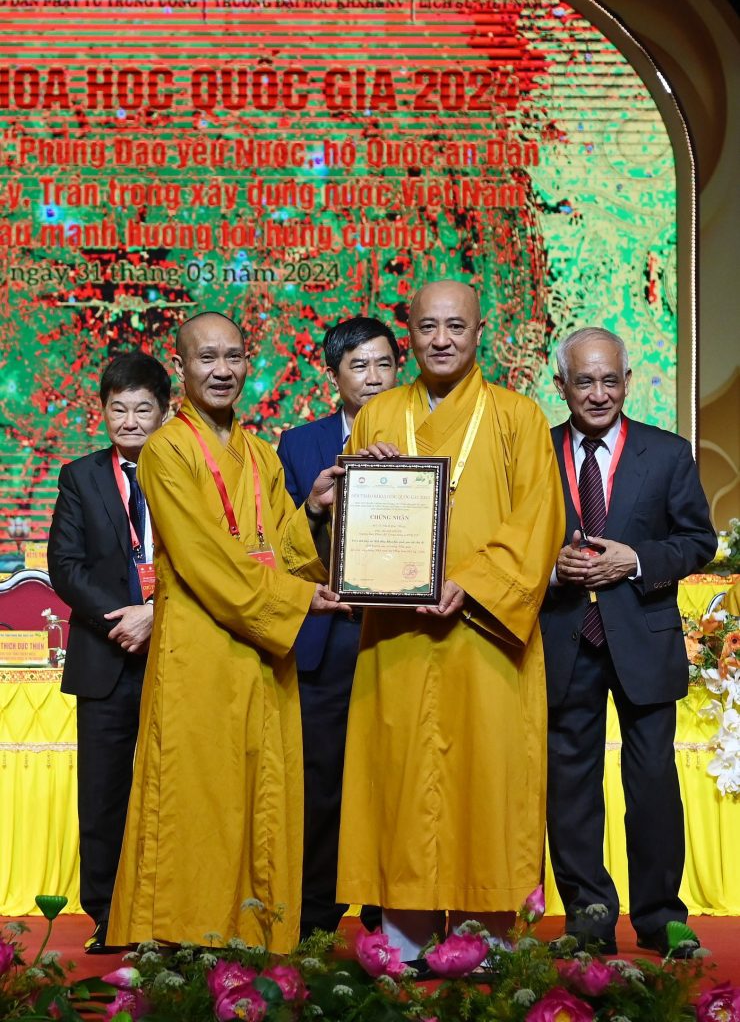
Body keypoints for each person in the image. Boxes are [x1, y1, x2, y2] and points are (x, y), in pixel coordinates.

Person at [335, 280, 565, 962]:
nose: (441, 339)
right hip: (399, 635)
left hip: (486, 636)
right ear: (408, 332)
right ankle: (402, 944)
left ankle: (483, 944)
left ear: (479, 331)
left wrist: (473, 584)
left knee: (486, 779)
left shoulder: (518, 416)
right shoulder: (378, 416)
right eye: (428, 326)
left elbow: (539, 521)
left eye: (455, 326)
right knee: (402, 778)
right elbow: (358, 527)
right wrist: (357, 482)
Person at [107, 311, 346, 952]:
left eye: (233, 357)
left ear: (247, 363)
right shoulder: (165, 451)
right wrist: (298, 600)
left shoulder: (260, 452)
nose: (221, 370)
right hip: (202, 650)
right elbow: (205, 560)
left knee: (262, 794)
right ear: (180, 366)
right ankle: (187, 949)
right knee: (200, 800)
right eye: (206, 358)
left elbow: (282, 546)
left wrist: (314, 508)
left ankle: (255, 942)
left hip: (263, 653)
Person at [541, 326, 716, 956]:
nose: (598, 393)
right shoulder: (536, 452)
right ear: (561, 385)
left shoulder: (666, 453)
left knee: (652, 785)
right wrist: (554, 568)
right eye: (584, 381)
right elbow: (509, 542)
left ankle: (661, 918)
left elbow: (698, 541)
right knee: (571, 789)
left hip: (643, 638)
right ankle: (588, 920)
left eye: (610, 380)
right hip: (565, 636)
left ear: (627, 383)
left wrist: (635, 560)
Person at [277, 316, 399, 939]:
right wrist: (316, 507)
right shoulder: (298, 445)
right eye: (359, 365)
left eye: (384, 364)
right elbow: (277, 541)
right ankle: (316, 916)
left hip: (401, 636)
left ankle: (390, 915)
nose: (373, 377)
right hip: (326, 637)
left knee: (390, 779)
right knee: (320, 779)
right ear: (334, 375)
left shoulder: (425, 435)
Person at [47, 351, 171, 953]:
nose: (130, 420)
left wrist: (157, 615)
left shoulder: (185, 472)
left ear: (164, 411)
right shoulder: (80, 475)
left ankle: (169, 913)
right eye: (118, 408)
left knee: (173, 790)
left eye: (142, 408)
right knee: (102, 796)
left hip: (175, 652)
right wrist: (123, 618)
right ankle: (106, 915)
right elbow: (65, 566)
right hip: (105, 656)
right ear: (102, 411)